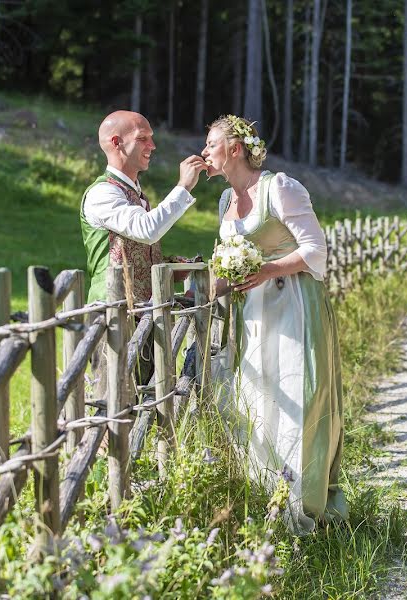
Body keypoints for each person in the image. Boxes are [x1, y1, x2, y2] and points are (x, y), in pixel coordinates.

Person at [203, 114, 347, 533]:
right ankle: (268, 497)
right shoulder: (223, 203)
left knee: (296, 397)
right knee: (258, 397)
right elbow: (224, 264)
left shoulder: (280, 188)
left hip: (294, 307)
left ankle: (303, 503)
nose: (204, 152)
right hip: (253, 315)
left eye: (211, 144)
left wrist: (266, 270)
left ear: (234, 149)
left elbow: (316, 251)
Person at [81, 110, 206, 399]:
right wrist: (184, 187)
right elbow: (146, 230)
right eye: (143, 139)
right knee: (110, 407)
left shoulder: (135, 194)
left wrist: (170, 266)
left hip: (143, 316)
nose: (152, 146)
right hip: (112, 316)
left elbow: (136, 249)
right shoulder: (102, 193)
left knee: (140, 407)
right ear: (117, 143)